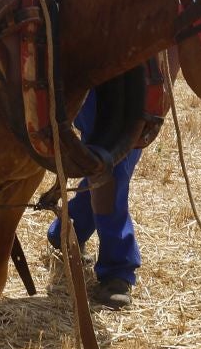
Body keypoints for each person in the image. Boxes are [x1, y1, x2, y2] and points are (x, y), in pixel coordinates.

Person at [46, 95, 143, 309]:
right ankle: (116, 267)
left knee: (126, 154)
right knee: (110, 162)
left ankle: (71, 227)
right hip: (100, 76)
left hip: (146, 73)